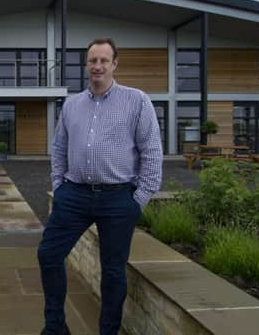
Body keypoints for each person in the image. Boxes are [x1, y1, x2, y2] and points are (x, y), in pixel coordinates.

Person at [38, 38, 163, 335]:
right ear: (86, 65)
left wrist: (139, 199)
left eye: (103, 60)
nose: (97, 66)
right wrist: (59, 185)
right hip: (74, 195)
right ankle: (55, 327)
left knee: (113, 271)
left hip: (118, 198)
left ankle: (108, 331)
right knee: (48, 254)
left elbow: (152, 152)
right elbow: (59, 148)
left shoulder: (137, 100)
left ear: (114, 64)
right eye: (92, 61)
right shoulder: (72, 104)